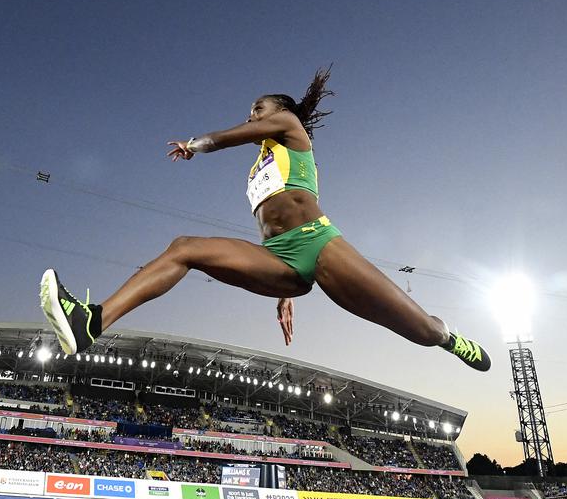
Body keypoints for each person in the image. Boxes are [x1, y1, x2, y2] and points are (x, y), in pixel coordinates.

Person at [40, 67, 490, 372]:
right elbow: (271, 221)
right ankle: (92, 323)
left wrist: (197, 143)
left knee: (421, 331)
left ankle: (448, 335)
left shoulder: (291, 128)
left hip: (320, 244)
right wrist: (282, 290)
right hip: (280, 258)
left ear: (279, 111)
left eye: (257, 108)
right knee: (184, 248)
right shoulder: (261, 164)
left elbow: (233, 137)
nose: (251, 116)